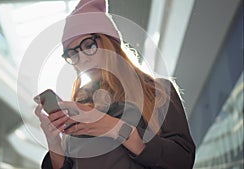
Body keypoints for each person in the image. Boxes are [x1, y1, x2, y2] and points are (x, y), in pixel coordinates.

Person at [34, 0, 196, 168]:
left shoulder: (157, 92)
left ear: (110, 43)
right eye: (72, 54)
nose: (82, 59)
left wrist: (114, 128)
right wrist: (54, 143)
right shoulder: (81, 112)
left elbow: (182, 160)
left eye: (89, 45)